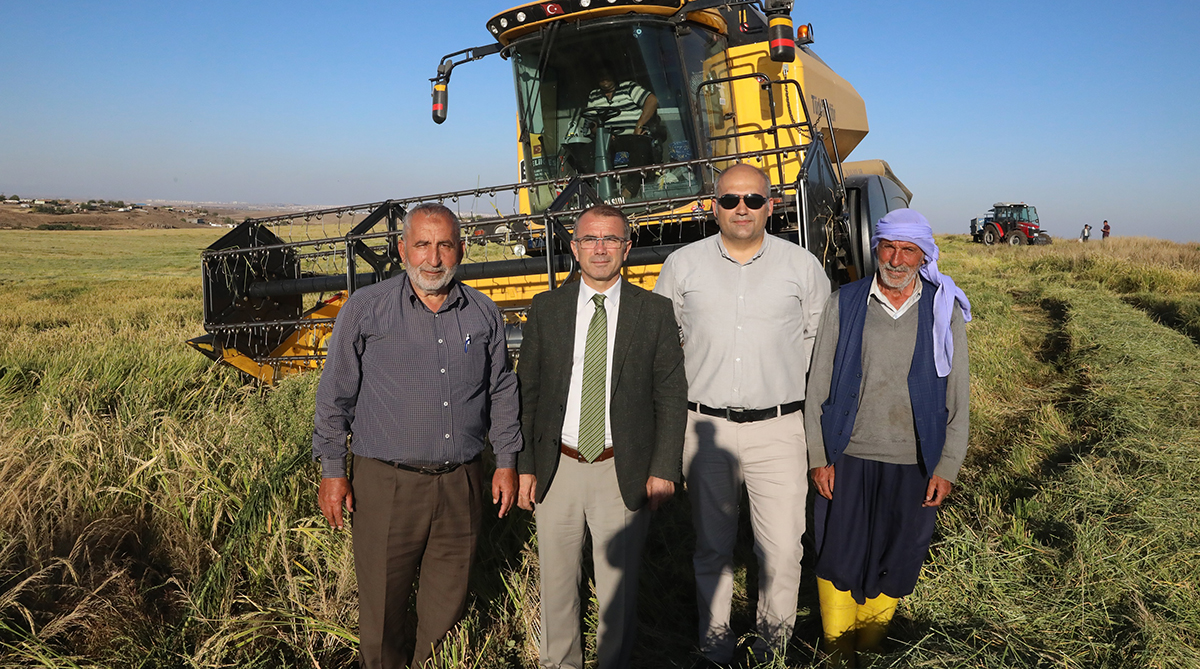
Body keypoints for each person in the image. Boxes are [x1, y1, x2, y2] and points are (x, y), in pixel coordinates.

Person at [312, 202, 522, 669]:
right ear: (402, 248)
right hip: (387, 484)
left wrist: (506, 459)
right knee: (382, 610)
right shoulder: (366, 310)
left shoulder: (483, 313)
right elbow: (335, 397)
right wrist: (332, 470)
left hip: (462, 482)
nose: (433, 258)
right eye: (422, 244)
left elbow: (502, 391)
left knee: (448, 603)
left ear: (461, 250)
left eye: (444, 245)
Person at [654, 163, 831, 666]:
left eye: (754, 200)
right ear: (714, 206)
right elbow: (665, 349)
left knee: (781, 549)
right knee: (712, 546)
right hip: (704, 427)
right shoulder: (682, 265)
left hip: (780, 429)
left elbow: (820, 349)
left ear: (771, 206)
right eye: (731, 200)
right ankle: (714, 646)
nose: (742, 209)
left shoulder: (802, 268)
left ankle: (771, 646)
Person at [517, 204, 688, 669]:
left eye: (610, 239)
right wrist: (525, 465)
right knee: (556, 587)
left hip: (622, 468)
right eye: (590, 239)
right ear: (573, 247)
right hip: (559, 467)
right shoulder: (547, 309)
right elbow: (526, 393)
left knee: (619, 591)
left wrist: (663, 469)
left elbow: (671, 396)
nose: (599, 248)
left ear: (627, 248)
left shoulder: (653, 312)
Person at [805, 208, 971, 668]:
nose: (896, 259)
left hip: (915, 463)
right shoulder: (846, 302)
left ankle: (871, 649)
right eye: (889, 247)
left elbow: (958, 401)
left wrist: (947, 467)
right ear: (876, 248)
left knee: (896, 552)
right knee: (838, 552)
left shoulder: (943, 309)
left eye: (908, 250)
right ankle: (838, 653)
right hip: (848, 456)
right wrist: (819, 456)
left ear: (923, 255)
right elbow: (817, 387)